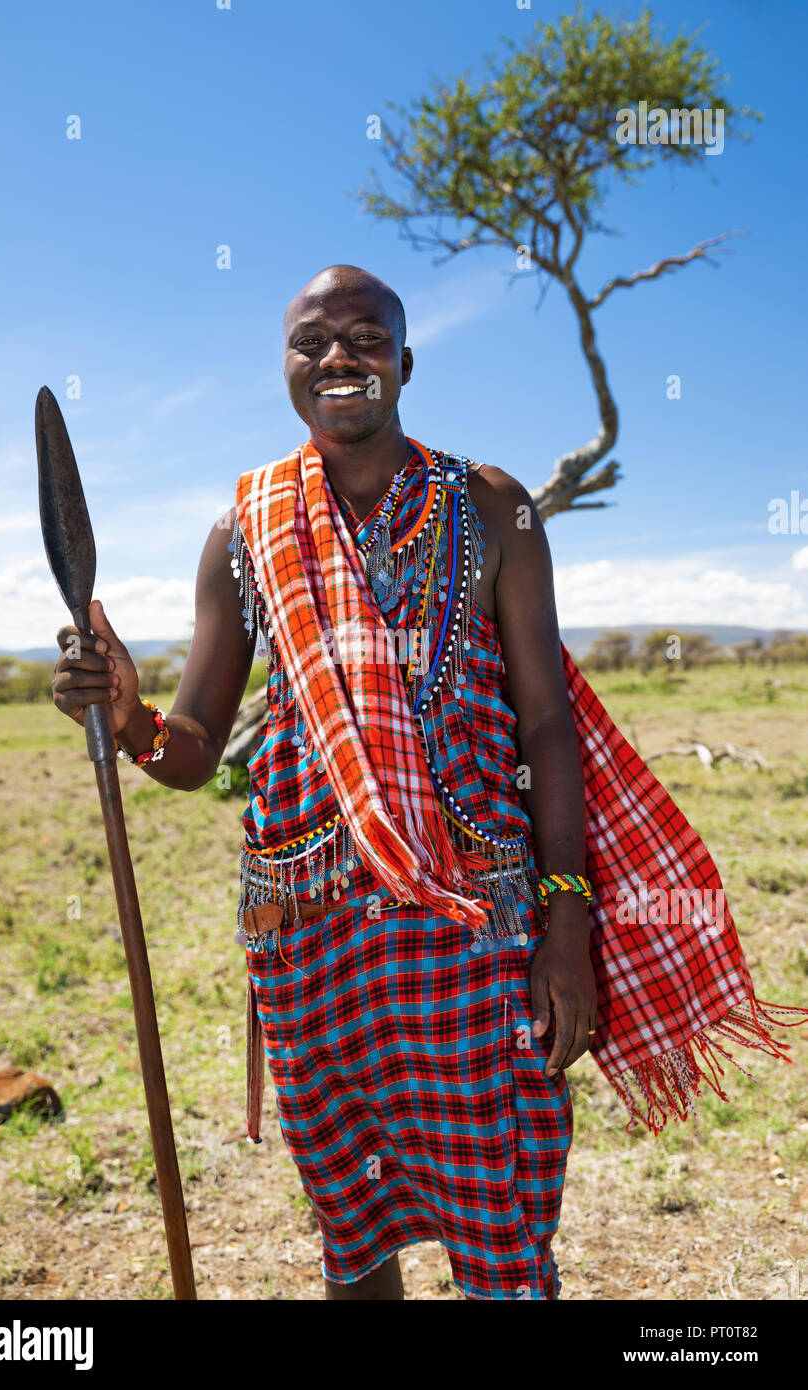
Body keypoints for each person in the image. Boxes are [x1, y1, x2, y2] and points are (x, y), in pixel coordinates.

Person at [52, 264, 806, 1301]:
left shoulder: (493, 508)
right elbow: (191, 749)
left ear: (403, 362)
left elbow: (546, 726)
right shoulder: (245, 530)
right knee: (353, 1233)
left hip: (476, 920)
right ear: (284, 370)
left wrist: (567, 920)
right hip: (310, 934)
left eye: (364, 339)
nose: (337, 360)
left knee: (500, 1229)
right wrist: (129, 716)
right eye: (311, 343)